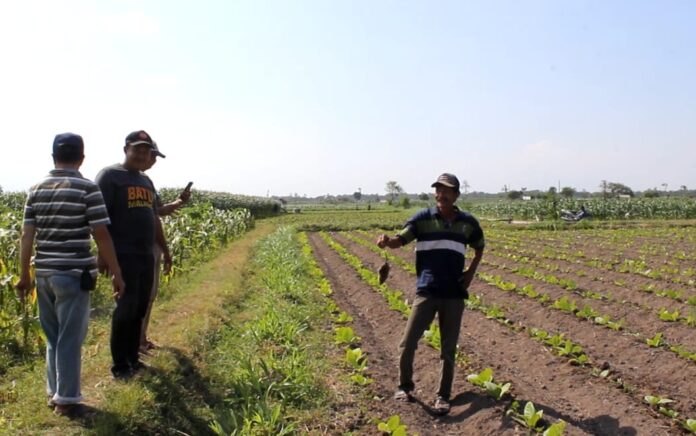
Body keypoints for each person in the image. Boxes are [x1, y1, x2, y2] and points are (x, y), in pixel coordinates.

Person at [15, 133, 125, 416]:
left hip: (44, 273)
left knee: (54, 337)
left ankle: (55, 393)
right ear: (82, 158)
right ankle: (67, 400)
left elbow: (27, 235)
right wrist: (117, 273)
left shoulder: (36, 189)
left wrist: (24, 275)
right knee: (70, 338)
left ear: (54, 157)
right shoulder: (87, 188)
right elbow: (101, 234)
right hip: (74, 273)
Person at [376, 173, 485, 415]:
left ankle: (443, 397)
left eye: (447, 190)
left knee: (448, 348)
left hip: (454, 294)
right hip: (427, 290)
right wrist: (386, 241)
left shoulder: (468, 223)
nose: (441, 194)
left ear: (456, 195)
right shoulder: (422, 219)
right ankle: (404, 386)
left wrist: (470, 273)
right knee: (408, 342)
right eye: (438, 189)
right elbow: (399, 240)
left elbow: (479, 247)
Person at [95, 130, 170, 379]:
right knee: (125, 308)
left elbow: (154, 214)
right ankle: (120, 366)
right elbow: (99, 219)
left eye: (145, 150)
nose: (141, 154)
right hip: (122, 254)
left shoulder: (145, 181)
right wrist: (102, 255)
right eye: (136, 149)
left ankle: (132, 359)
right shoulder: (109, 176)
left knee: (139, 308)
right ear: (126, 149)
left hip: (144, 254)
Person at [139, 141, 191, 352]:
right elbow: (155, 218)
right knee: (141, 297)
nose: (153, 161)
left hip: (149, 247)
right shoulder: (122, 179)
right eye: (153, 156)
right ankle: (136, 343)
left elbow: (158, 211)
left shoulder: (146, 182)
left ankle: (141, 339)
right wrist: (166, 250)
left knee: (148, 296)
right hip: (140, 248)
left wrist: (179, 201)